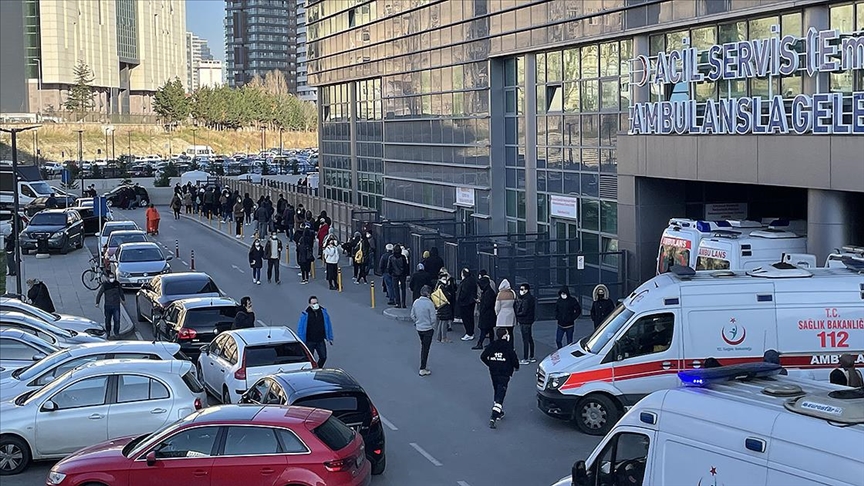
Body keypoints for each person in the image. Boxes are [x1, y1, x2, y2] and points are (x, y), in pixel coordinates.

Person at [481, 328, 520, 429]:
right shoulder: (508, 347)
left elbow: (483, 356)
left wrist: (490, 364)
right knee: (501, 393)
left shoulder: (492, 345)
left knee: (496, 389)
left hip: (494, 372)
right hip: (504, 373)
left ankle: (499, 411)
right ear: (504, 335)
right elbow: (514, 359)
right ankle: (494, 416)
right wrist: (516, 367)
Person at [297, 296, 333, 367]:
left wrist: (330, 337)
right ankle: (312, 370)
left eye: (316, 303)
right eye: (313, 303)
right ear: (310, 304)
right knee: (309, 358)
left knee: (323, 357)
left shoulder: (323, 312)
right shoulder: (305, 314)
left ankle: (318, 368)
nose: (315, 305)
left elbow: (328, 324)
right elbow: (301, 328)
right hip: (310, 341)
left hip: (320, 340)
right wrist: (301, 341)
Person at [411, 285, 436, 376]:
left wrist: (417, 322)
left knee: (423, 345)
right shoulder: (430, 304)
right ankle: (423, 368)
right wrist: (432, 325)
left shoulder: (416, 302)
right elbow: (433, 318)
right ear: (428, 294)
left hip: (419, 328)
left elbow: (412, 315)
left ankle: (423, 366)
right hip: (428, 328)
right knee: (426, 348)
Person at [95, 273, 125, 338]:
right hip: (108, 305)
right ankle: (108, 332)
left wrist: (123, 299)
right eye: (110, 277)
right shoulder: (105, 285)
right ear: (108, 278)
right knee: (108, 319)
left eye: (113, 277)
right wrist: (97, 302)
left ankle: (116, 333)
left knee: (117, 319)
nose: (112, 279)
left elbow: (121, 292)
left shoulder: (117, 284)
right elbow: (100, 293)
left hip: (116, 305)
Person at [515, 283, 537, 364]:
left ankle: (525, 358)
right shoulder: (530, 298)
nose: (521, 291)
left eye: (522, 289)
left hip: (524, 320)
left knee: (525, 339)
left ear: (526, 290)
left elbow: (523, 311)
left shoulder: (525, 299)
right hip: (529, 320)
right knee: (529, 338)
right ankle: (531, 356)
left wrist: (517, 314)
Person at [472, 277, 497, 350]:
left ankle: (480, 343)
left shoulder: (488, 293)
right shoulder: (489, 291)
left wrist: (481, 304)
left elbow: (487, 304)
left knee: (484, 329)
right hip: (490, 314)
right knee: (489, 329)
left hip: (486, 314)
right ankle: (491, 343)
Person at [432, 271, 456, 343]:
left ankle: (439, 337)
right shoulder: (442, 286)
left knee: (441, 321)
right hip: (444, 305)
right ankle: (444, 338)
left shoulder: (438, 285)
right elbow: (448, 296)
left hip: (439, 305)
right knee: (444, 322)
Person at [456, 268, 478, 341]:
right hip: (471, 302)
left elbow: (464, 292)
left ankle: (469, 333)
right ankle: (471, 332)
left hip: (465, 303)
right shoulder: (472, 280)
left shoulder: (465, 282)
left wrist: (460, 298)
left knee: (466, 319)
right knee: (470, 318)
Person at [494, 279, 517, 346]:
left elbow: (497, 307)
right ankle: (511, 346)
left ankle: (503, 346)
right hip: (511, 314)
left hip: (502, 315)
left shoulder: (500, 294)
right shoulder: (512, 293)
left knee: (502, 333)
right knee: (510, 332)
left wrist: (497, 314)